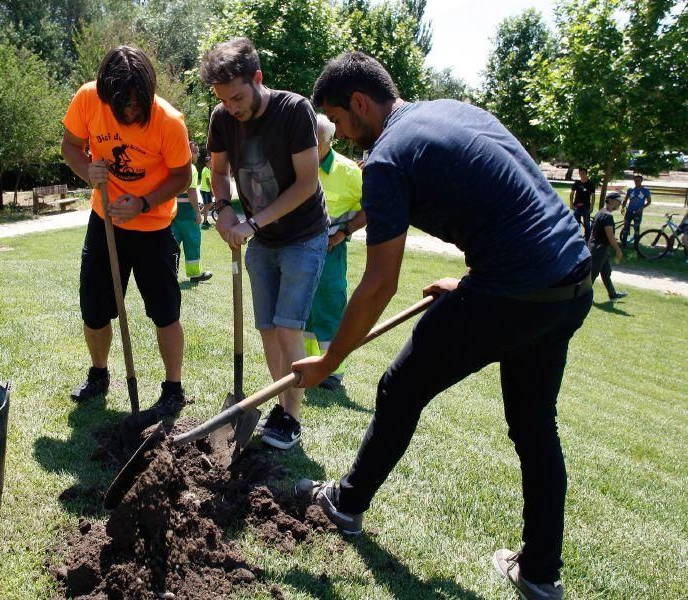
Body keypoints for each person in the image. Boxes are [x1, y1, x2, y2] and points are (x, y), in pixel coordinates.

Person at [291, 52, 592, 600]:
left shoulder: (385, 160)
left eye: (339, 118)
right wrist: (474, 280)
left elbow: (380, 283)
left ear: (359, 103)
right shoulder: (453, 110)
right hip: (568, 283)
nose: (342, 134)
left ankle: (346, 504)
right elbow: (508, 205)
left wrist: (328, 361)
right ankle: (541, 574)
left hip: (512, 291)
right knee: (534, 427)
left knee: (399, 387)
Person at [200, 37, 328, 450]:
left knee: (290, 328)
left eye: (237, 97)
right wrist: (223, 210)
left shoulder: (294, 111)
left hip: (303, 236)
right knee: (268, 331)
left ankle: (291, 418)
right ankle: (279, 404)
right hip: (262, 238)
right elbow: (218, 172)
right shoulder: (222, 118)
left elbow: (307, 184)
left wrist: (252, 222)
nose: (232, 108)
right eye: (224, 99)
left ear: (258, 78)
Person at [61, 46, 192, 416]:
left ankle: (173, 388)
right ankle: (99, 374)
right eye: (125, 104)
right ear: (108, 95)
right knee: (94, 307)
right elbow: (70, 145)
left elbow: (182, 175)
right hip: (105, 222)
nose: (133, 110)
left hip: (153, 227)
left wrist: (144, 203)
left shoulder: (168, 120)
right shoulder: (88, 99)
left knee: (165, 311)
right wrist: (87, 170)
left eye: (139, 103)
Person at [304, 114, 366, 391]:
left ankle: (333, 371)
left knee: (329, 304)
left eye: (314, 139)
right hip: (298, 246)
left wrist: (346, 231)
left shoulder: (350, 171)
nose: (308, 144)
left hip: (330, 248)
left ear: (329, 140)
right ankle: (305, 362)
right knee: (301, 307)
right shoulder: (296, 163)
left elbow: (372, 206)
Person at [172, 141, 213, 283]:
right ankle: (195, 274)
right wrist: (197, 212)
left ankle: (171, 273)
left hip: (173, 212)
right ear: (188, 152)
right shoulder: (191, 168)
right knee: (192, 242)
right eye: (195, 151)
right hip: (188, 213)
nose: (198, 154)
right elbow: (191, 192)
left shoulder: (173, 166)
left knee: (172, 243)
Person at [588, 192, 627, 301]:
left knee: (606, 272)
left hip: (599, 248)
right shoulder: (607, 216)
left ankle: (613, 294)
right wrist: (618, 250)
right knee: (592, 275)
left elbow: (596, 232)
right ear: (610, 201)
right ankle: (581, 297)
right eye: (618, 201)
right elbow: (610, 236)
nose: (619, 204)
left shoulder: (601, 212)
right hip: (599, 249)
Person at [620, 174, 651, 245]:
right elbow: (626, 199)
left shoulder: (645, 191)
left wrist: (641, 208)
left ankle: (636, 244)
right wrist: (623, 207)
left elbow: (649, 201)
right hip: (629, 211)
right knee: (626, 227)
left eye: (638, 180)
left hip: (638, 212)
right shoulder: (630, 190)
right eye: (635, 180)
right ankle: (624, 243)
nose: (637, 182)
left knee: (636, 228)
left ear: (641, 181)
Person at [569, 168, 594, 238]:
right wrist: (571, 204)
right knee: (576, 224)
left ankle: (587, 239)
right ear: (579, 174)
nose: (582, 175)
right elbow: (572, 193)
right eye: (581, 173)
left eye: (583, 173)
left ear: (586, 174)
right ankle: (577, 238)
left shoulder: (590, 183)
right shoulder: (577, 183)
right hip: (576, 207)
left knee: (587, 224)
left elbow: (593, 196)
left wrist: (591, 207)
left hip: (586, 207)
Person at [199, 155, 214, 227]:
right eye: (210, 162)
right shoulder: (206, 170)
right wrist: (212, 191)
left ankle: (198, 213)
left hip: (205, 190)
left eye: (212, 162)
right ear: (207, 163)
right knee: (207, 206)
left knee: (209, 205)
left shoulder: (207, 169)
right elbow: (208, 182)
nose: (211, 163)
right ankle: (204, 221)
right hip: (205, 190)